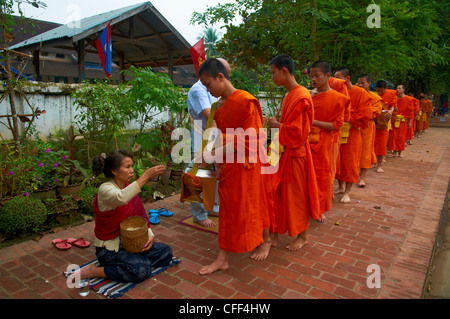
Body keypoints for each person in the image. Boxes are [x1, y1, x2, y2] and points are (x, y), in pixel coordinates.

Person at [196, 58, 270, 275]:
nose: (208, 91)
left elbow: (250, 141)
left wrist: (212, 156)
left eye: (208, 85)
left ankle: (265, 240)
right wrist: (216, 161)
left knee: (254, 204)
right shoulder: (219, 107)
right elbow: (220, 137)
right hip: (228, 165)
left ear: (220, 77)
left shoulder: (247, 101)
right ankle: (223, 258)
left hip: (248, 165)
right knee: (228, 211)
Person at [68, 149, 172, 283]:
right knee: (141, 271)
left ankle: (132, 263)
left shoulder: (130, 188)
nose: (132, 170)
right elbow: (121, 197)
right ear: (114, 171)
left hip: (131, 243)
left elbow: (139, 217)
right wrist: (146, 175)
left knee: (166, 253)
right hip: (109, 249)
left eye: (132, 166)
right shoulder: (105, 189)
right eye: (127, 167)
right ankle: (94, 271)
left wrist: (150, 235)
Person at [266, 54, 320, 251]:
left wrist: (276, 125)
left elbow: (298, 132)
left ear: (284, 70)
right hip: (282, 151)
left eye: (273, 73)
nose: (272, 77)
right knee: (277, 193)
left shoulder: (301, 96)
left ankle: (303, 235)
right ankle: (275, 234)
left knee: (297, 196)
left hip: (296, 153)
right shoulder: (290, 94)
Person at [186, 58, 232, 228]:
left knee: (216, 176)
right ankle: (199, 214)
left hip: (218, 137)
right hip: (204, 137)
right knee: (196, 174)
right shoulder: (200, 89)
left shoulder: (222, 93)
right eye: (225, 75)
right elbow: (210, 117)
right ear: (218, 75)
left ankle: (212, 206)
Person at [308, 60, 349, 222]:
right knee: (305, 177)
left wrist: (313, 122)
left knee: (322, 177)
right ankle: (306, 207)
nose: (314, 80)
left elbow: (336, 125)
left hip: (324, 143)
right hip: (305, 141)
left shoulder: (337, 98)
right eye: (311, 76)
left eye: (317, 76)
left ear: (327, 76)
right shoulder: (308, 95)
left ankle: (319, 209)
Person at [334, 68, 372, 203]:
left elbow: (365, 114)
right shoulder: (335, 92)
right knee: (337, 160)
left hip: (352, 133)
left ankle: (347, 192)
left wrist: (346, 117)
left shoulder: (360, 93)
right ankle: (340, 186)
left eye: (339, 78)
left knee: (350, 161)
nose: (335, 81)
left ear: (347, 79)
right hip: (337, 132)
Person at [356, 75, 383, 187]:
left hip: (367, 126)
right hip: (355, 126)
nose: (360, 85)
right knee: (353, 151)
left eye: (363, 83)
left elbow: (375, 112)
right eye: (359, 83)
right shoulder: (354, 94)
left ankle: (362, 177)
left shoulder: (374, 98)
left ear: (369, 83)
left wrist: (360, 113)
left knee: (365, 151)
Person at [374, 81, 397, 173]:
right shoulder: (374, 95)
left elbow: (393, 106)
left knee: (382, 144)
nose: (379, 92)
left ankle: (379, 165)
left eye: (381, 91)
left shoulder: (391, 94)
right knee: (372, 144)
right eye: (378, 90)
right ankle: (373, 160)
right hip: (374, 121)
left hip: (384, 122)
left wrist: (390, 112)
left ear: (385, 88)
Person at [388, 85, 414, 158]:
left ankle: (400, 152)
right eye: (397, 88)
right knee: (393, 136)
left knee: (401, 137)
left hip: (402, 121)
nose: (398, 90)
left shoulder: (408, 99)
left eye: (399, 88)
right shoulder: (394, 98)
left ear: (404, 90)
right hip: (394, 119)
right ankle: (394, 151)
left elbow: (410, 111)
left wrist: (409, 122)